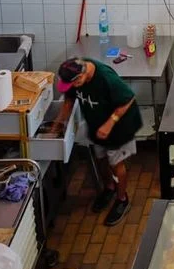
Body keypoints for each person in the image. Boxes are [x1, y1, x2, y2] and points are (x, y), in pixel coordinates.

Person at [52, 58, 142, 226]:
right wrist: (58, 123)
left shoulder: (105, 77)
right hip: (96, 124)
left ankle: (122, 199)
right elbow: (69, 100)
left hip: (119, 126)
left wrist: (109, 124)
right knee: (100, 158)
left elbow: (128, 99)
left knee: (116, 164)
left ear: (82, 75)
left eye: (76, 83)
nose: (75, 86)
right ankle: (109, 188)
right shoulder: (73, 75)